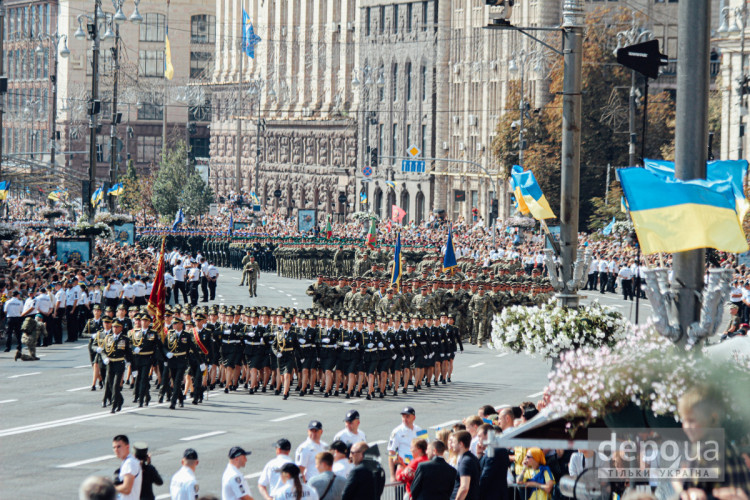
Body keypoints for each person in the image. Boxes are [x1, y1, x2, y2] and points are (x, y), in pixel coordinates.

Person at [387, 407, 425, 481]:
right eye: (403, 416)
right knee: (401, 491)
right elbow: (391, 453)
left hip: (417, 465)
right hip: (403, 466)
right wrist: (392, 475)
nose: (405, 419)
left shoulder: (420, 430)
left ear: (414, 417)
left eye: (407, 416)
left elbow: (426, 448)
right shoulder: (396, 432)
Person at [475, 424, 509, 500]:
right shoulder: (491, 450)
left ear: (487, 435)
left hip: (492, 495)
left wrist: (477, 493)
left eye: (480, 436)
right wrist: (479, 454)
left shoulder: (495, 451)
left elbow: (486, 476)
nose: (478, 439)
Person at [450, 430, 480, 500]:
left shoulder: (465, 461)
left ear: (461, 444)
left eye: (454, 442)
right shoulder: (471, 458)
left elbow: (464, 487)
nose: (452, 445)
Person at [112, 435, 143, 500]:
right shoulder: (127, 462)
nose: (116, 450)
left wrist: (109, 488)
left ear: (127, 447)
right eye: (114, 447)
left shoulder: (129, 463)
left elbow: (126, 489)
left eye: (119, 447)